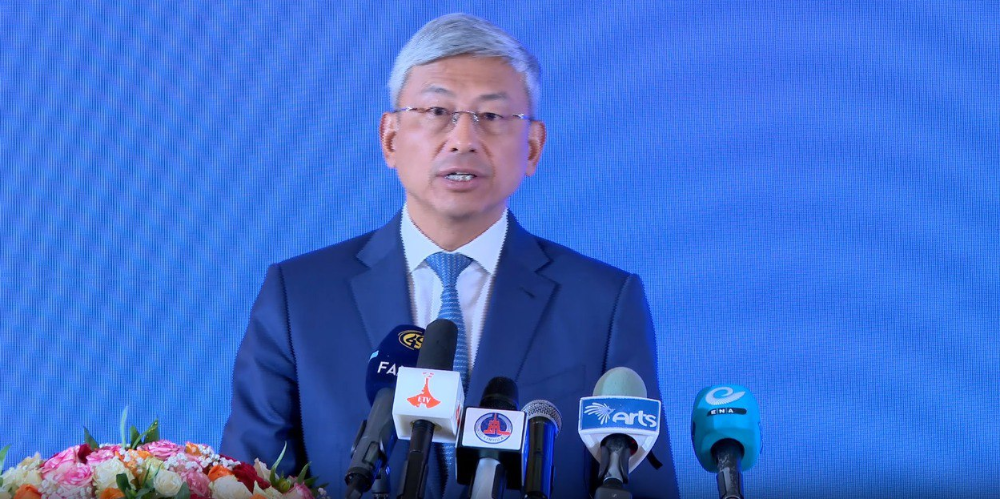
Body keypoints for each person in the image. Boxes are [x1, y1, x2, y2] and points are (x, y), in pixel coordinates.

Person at [221, 13, 679, 499]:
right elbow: (247, 482)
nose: (463, 139)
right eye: (438, 111)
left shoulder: (603, 303)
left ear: (532, 148)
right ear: (390, 139)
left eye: (492, 116)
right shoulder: (300, 297)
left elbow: (642, 487)